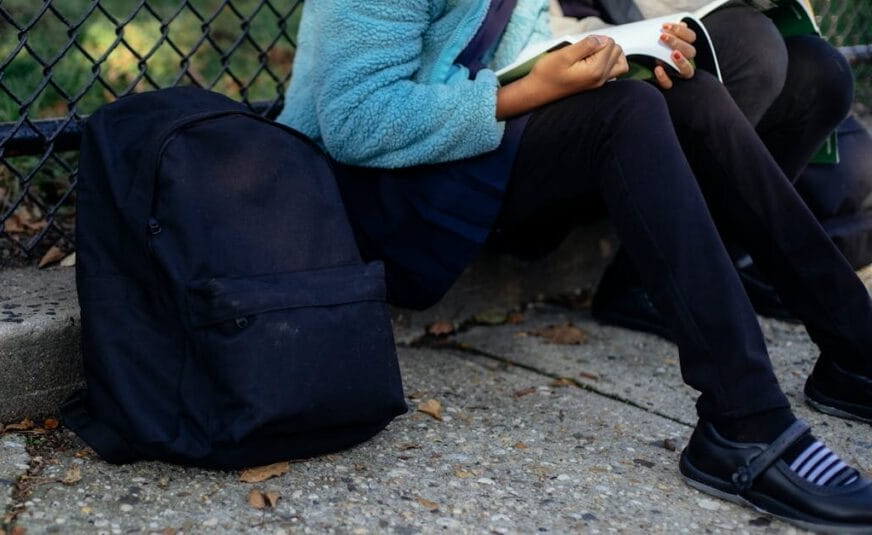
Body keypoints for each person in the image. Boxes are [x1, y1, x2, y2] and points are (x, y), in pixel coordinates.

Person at [277, 0, 872, 530]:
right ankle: (744, 424)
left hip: (454, 150)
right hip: (366, 194)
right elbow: (355, 122)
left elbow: (523, 45)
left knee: (680, 93)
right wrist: (533, 92)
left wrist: (619, 52)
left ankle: (855, 351)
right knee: (628, 112)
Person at [548, 0, 869, 339]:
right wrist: (637, 42)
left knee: (823, 70)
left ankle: (718, 269)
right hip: (586, 60)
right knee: (752, 46)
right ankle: (652, 278)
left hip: (662, 36)